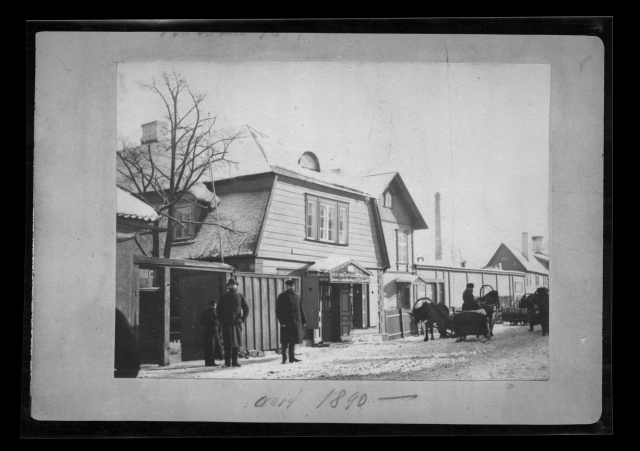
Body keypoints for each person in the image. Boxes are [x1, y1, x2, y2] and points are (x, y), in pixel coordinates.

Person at [216, 278, 250, 368]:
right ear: (228, 286)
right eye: (230, 285)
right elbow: (218, 310)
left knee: (236, 343)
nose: (232, 286)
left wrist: (242, 319)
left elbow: (246, 309)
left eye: (234, 285)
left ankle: (235, 362)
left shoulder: (240, 296)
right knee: (227, 343)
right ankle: (227, 363)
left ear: (236, 286)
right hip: (227, 324)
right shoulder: (224, 297)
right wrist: (222, 320)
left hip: (236, 324)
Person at [275, 279, 307, 364]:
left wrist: (304, 320)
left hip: (295, 322)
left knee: (293, 340)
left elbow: (301, 309)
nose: (291, 287)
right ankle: (284, 358)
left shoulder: (297, 296)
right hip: (286, 323)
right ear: (286, 286)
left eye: (292, 286)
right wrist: (282, 322)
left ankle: (292, 358)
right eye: (289, 286)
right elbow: (278, 311)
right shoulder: (281, 296)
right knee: (285, 341)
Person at [200, 300, 223, 367]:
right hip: (209, 330)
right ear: (209, 306)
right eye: (212, 305)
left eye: (214, 305)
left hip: (216, 330)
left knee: (216, 346)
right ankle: (209, 362)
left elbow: (220, 322)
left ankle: (213, 361)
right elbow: (201, 321)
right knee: (209, 347)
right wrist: (210, 322)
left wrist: (220, 330)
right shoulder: (206, 312)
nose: (213, 307)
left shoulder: (217, 312)